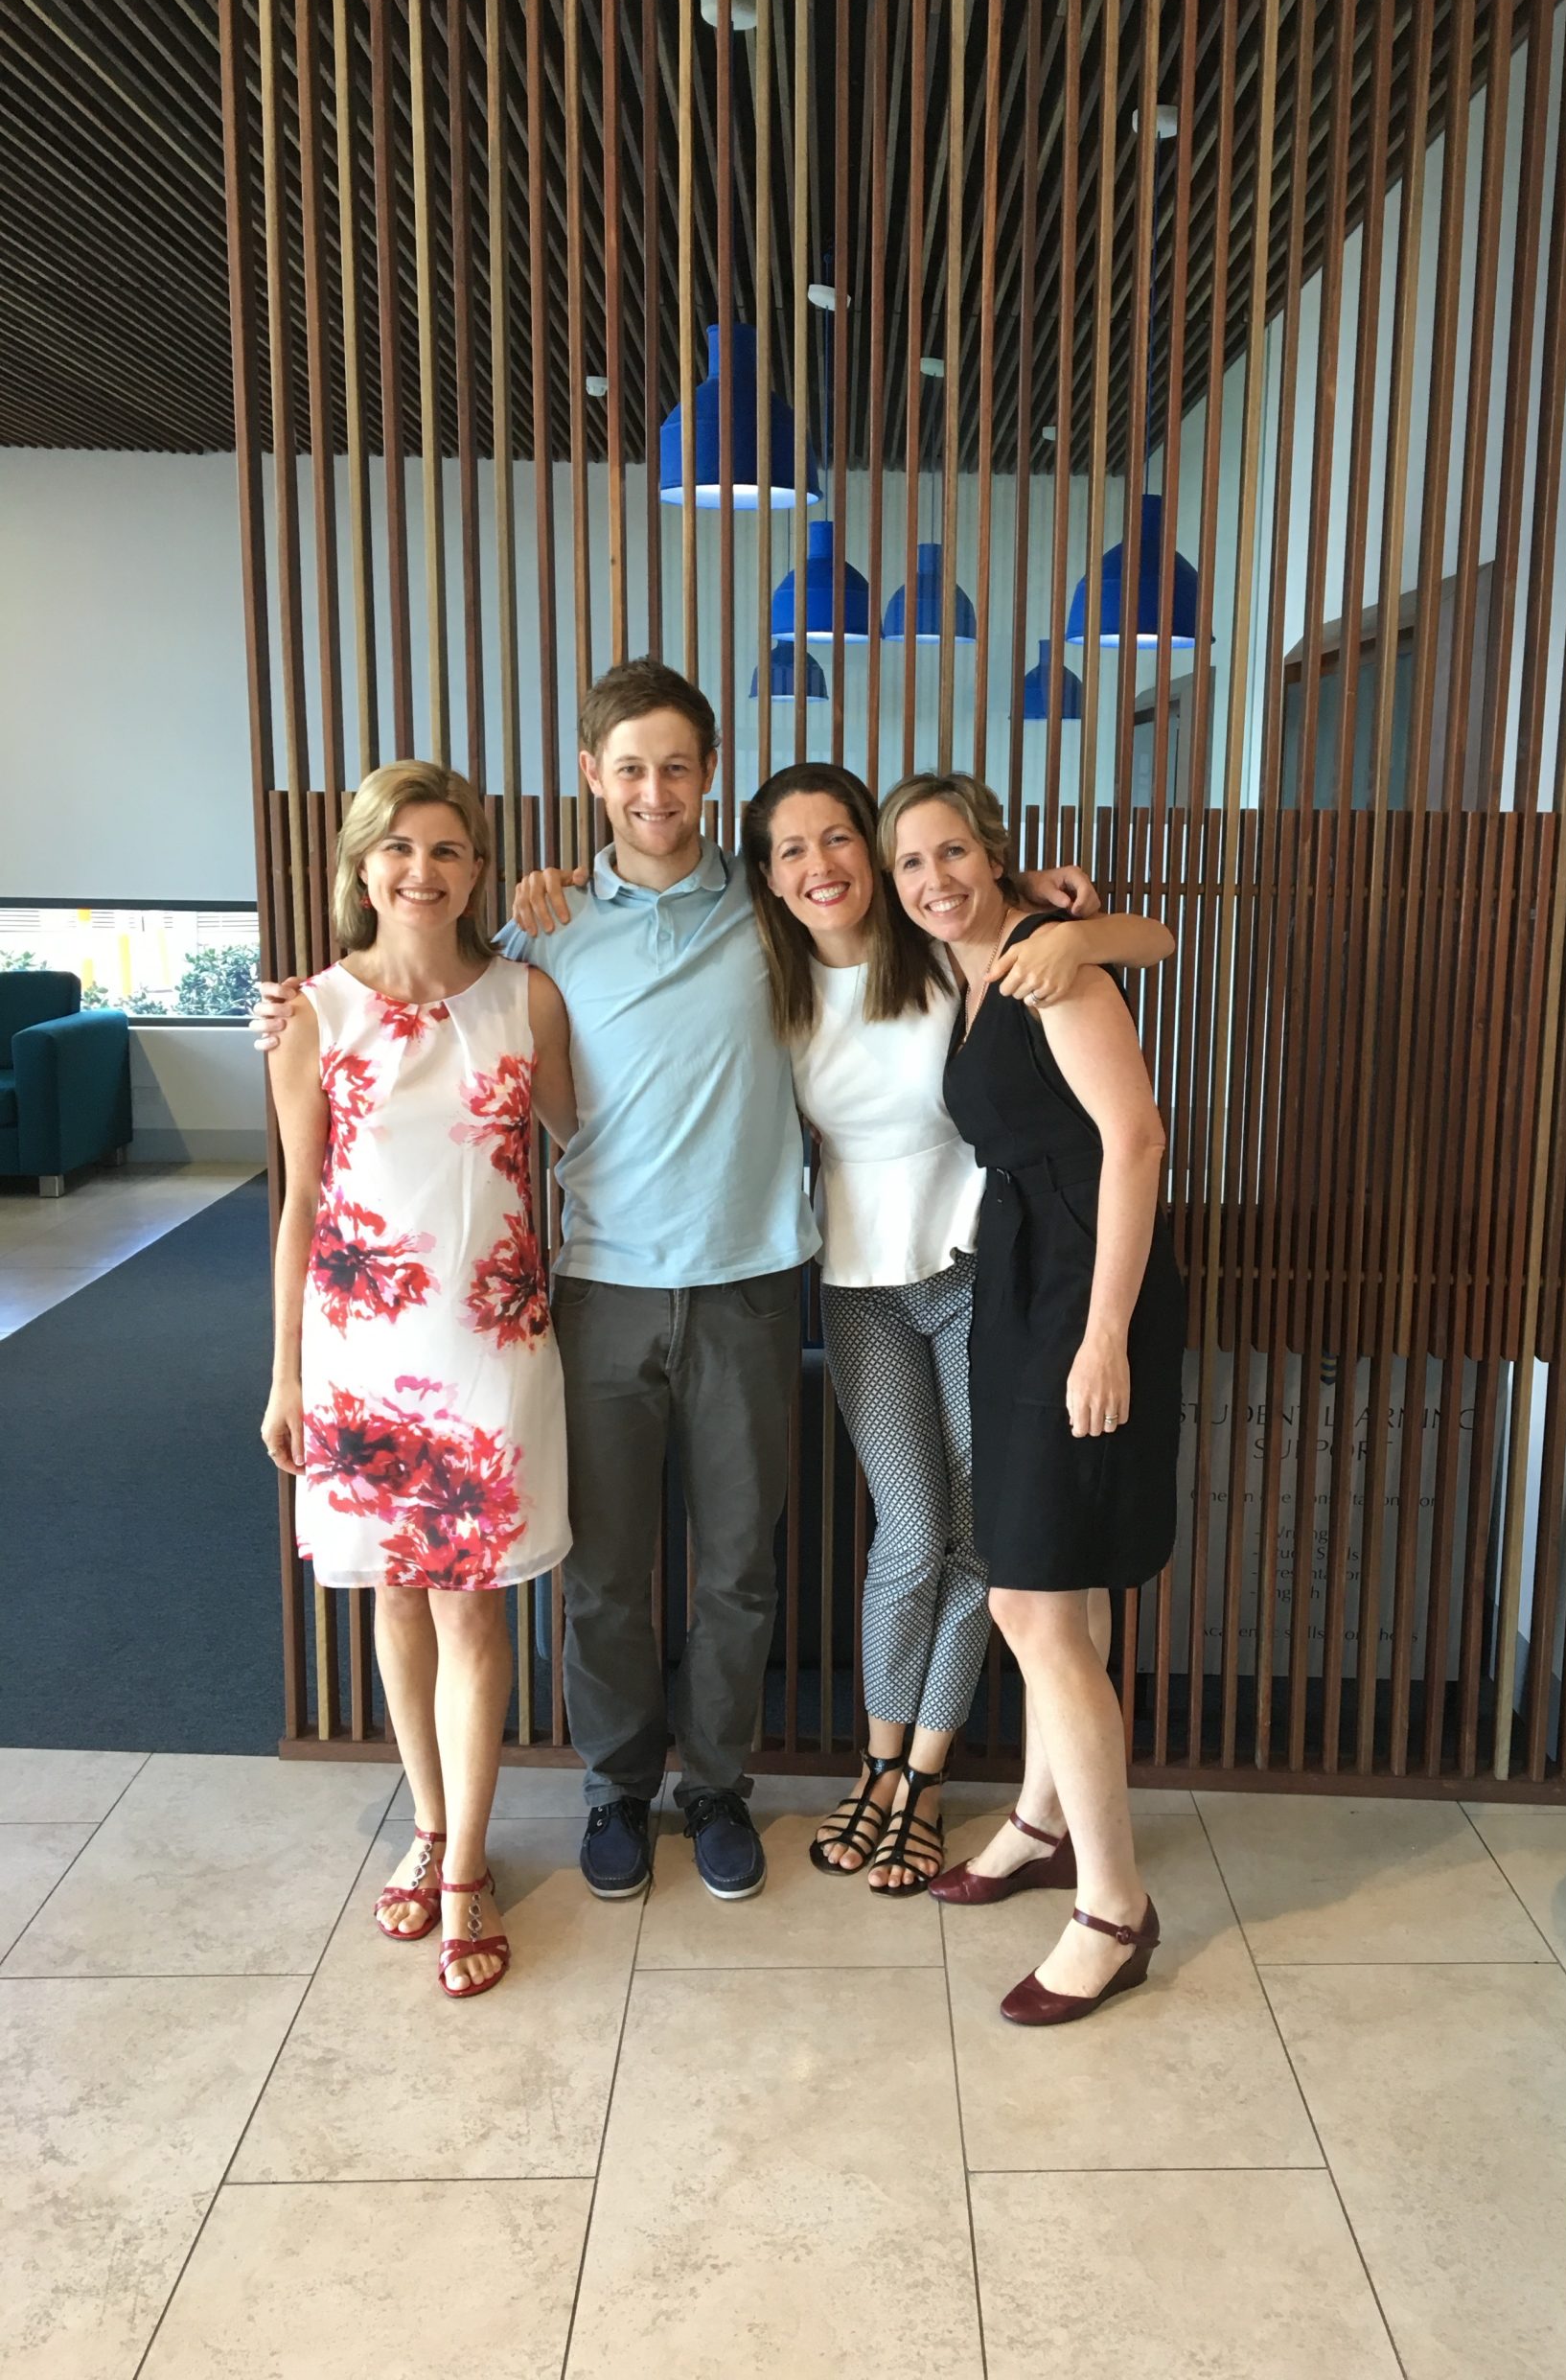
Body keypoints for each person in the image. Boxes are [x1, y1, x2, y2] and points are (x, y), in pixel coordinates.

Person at [267, 658, 1101, 1907]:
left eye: (678, 765)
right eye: (630, 767)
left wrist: (1042, 897)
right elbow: (424, 1005)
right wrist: (296, 1013)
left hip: (755, 1285)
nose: (655, 789)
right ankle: (615, 1785)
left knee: (736, 1566)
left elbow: (906, 894)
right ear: (595, 780)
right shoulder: (539, 932)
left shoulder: (768, 903)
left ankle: (714, 1783)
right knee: (604, 1569)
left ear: (710, 776)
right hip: (597, 1288)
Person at [738, 763, 1173, 1891]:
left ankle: (924, 1784)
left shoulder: (937, 946)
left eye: (838, 839)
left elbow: (1123, 938)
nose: (820, 865)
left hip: (985, 1273)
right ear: (770, 876)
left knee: (989, 1541)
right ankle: (877, 1765)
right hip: (862, 1290)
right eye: (791, 849)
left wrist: (1088, 933)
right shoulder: (764, 984)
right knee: (912, 1529)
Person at [261, 760, 575, 1999]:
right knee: (394, 1596)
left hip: (493, 1337)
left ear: (477, 871)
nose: (420, 871)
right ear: (360, 867)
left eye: (447, 850)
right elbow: (298, 1205)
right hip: (360, 1349)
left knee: (473, 1607)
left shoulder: (527, 1000)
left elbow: (585, 1144)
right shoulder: (312, 1014)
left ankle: (467, 1871)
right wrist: (285, 1375)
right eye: (397, 849)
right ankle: (429, 1822)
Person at [883, 770, 1185, 2025]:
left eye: (952, 852)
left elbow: (1138, 1139)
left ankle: (1114, 1910)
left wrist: (1105, 1329)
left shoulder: (1051, 963)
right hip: (1019, 1280)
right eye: (912, 864)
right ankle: (1040, 1820)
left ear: (996, 855)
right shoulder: (970, 974)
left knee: (1029, 1599)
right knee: (1052, 1579)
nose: (933, 879)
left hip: (1079, 1284)